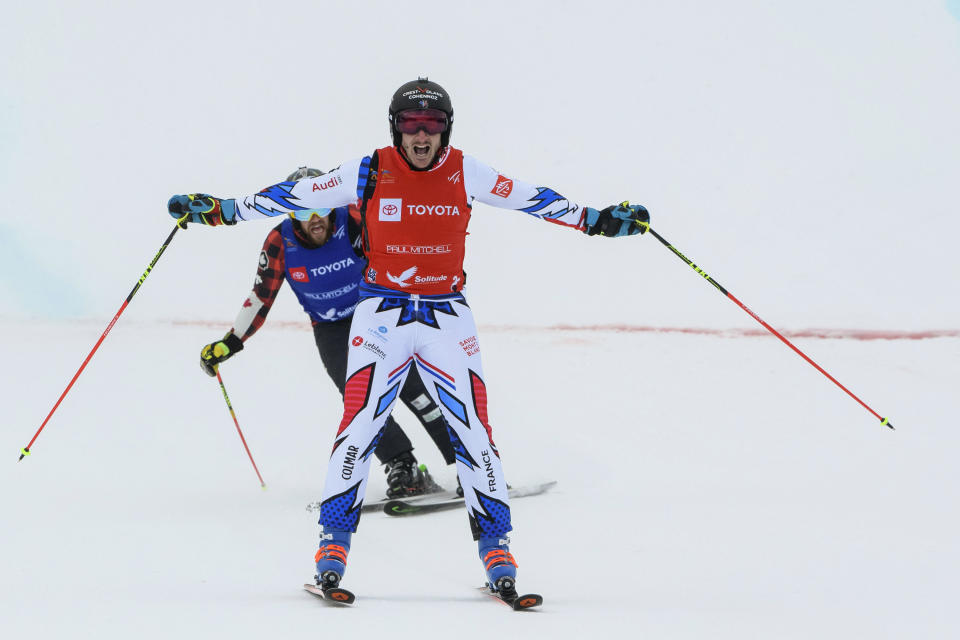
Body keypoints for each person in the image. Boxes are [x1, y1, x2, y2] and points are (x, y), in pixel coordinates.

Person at [167, 77, 649, 599]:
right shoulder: (368, 171)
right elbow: (292, 195)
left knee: (474, 432)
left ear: (446, 129)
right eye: (411, 125)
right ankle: (332, 549)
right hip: (380, 315)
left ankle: (497, 554)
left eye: (433, 126)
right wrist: (221, 210)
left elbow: (532, 199)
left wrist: (597, 221)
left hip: (446, 315)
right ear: (396, 128)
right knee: (358, 425)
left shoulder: (467, 170)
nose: (422, 136)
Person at [198, 167, 456, 498]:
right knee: (360, 400)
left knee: (415, 391)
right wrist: (230, 344)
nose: (316, 218)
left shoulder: (353, 219)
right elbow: (261, 296)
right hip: (331, 329)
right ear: (290, 211)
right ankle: (402, 467)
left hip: (378, 313)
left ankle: (469, 463)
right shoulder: (281, 243)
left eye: (322, 206)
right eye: (304, 210)